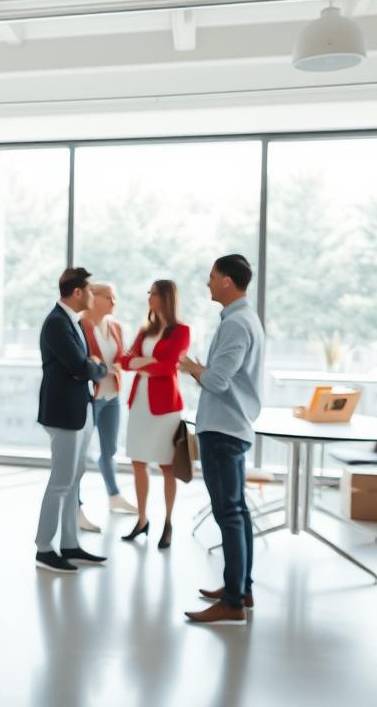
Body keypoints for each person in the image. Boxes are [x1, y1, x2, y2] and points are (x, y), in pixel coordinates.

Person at [180, 254, 265, 625]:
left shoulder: (236, 324)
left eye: (212, 276)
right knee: (237, 512)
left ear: (228, 281)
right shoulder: (244, 319)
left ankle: (232, 602)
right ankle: (241, 589)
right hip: (232, 425)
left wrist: (193, 368)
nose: (208, 282)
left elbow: (217, 381)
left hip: (223, 428)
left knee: (228, 514)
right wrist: (203, 369)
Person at [34, 268, 110, 573]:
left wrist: (92, 367)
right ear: (77, 292)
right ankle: (43, 548)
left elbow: (86, 368)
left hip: (80, 409)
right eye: (90, 289)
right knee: (61, 481)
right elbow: (81, 367)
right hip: (64, 413)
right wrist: (95, 367)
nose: (93, 294)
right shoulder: (56, 322)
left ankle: (69, 544)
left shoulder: (73, 322)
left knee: (74, 479)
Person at [120, 280, 190, 551]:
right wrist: (146, 362)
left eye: (154, 293)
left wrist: (142, 363)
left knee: (166, 465)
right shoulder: (145, 330)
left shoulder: (181, 331)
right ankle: (141, 519)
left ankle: (168, 522)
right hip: (139, 403)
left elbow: (169, 367)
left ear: (166, 297)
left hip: (165, 407)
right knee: (138, 461)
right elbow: (124, 360)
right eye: (148, 292)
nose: (149, 297)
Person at [76, 282, 137, 534]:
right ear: (94, 297)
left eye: (115, 298)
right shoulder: (80, 325)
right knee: (79, 453)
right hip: (91, 396)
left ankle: (114, 495)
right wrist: (102, 368)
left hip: (112, 396)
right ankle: (76, 506)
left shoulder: (116, 327)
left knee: (109, 450)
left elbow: (122, 358)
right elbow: (83, 362)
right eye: (109, 297)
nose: (114, 302)